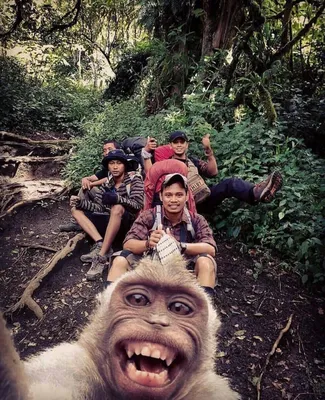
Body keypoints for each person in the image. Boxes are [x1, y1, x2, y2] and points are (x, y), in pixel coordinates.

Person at [105, 173, 217, 298]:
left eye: (179, 195)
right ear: (161, 196)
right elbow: (128, 244)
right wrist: (148, 243)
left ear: (186, 197)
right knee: (120, 260)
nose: (173, 200)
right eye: (168, 195)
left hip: (185, 271)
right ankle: (109, 303)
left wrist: (180, 246)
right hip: (150, 268)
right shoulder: (149, 216)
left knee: (205, 262)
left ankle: (204, 309)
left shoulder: (196, 220)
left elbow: (210, 248)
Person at [142, 131, 283, 214]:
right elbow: (151, 174)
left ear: (187, 144)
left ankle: (257, 193)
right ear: (171, 145)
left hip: (204, 198)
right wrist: (147, 151)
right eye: (175, 142)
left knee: (230, 183)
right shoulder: (166, 162)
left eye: (182, 142)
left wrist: (208, 151)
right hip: (182, 203)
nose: (179, 144)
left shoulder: (193, 161)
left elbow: (213, 172)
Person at [71, 149, 144, 281]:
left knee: (117, 208)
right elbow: (99, 207)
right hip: (109, 220)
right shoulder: (108, 182)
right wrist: (81, 203)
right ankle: (100, 243)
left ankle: (101, 256)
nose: (115, 167)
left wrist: (117, 199)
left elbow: (138, 204)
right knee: (75, 209)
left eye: (118, 163)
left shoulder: (134, 180)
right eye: (111, 163)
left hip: (127, 224)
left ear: (124, 165)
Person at [59, 139, 120, 232]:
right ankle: (79, 221)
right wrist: (85, 179)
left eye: (110, 149)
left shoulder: (123, 163)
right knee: (85, 188)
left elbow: (109, 179)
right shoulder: (107, 166)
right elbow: (95, 177)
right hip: (107, 197)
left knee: (89, 187)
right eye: (104, 150)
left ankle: (84, 221)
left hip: (118, 201)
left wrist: (91, 184)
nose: (106, 152)